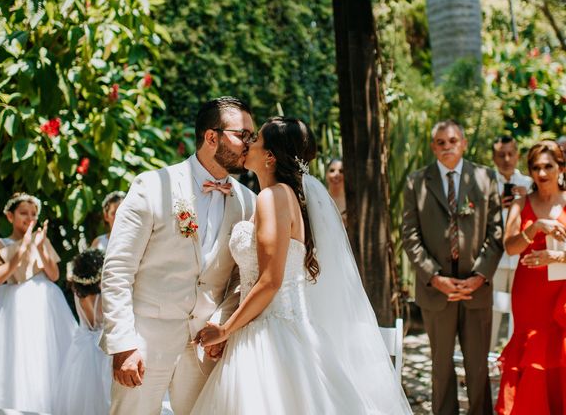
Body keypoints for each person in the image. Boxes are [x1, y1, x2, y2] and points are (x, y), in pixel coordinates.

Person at [191, 117, 412, 414]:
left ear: (269, 156)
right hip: (274, 328)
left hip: (267, 337)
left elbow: (270, 281)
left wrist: (225, 330)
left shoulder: (273, 198)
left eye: (255, 139)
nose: (248, 143)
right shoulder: (285, 197)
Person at [100, 97, 257, 415]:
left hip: (205, 347)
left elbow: (242, 276)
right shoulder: (152, 186)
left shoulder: (248, 201)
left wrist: (222, 323)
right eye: (243, 135)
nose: (250, 145)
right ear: (212, 137)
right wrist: (123, 344)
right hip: (144, 341)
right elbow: (117, 269)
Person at [402, 120, 503, 415]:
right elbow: (410, 236)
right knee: (441, 368)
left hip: (476, 290)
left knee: (477, 367)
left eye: (453, 140)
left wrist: (479, 275)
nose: (447, 147)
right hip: (436, 292)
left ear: (464, 143)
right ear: (433, 146)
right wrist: (434, 278)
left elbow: (495, 232)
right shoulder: (416, 182)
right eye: (441, 142)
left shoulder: (485, 178)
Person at [0, 193, 76, 412]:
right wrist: (24, 246)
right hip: (15, 306)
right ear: (10, 216)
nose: (29, 218)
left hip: (47, 304)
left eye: (33, 214)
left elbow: (54, 275)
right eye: (23, 213)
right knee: (19, 355)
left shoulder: (40, 240)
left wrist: (41, 245)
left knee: (47, 354)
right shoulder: (2, 243)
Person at [495, 140, 566, 415]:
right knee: (530, 351)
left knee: (559, 351)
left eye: (548, 166)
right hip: (528, 293)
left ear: (561, 167)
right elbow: (510, 246)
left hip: (560, 293)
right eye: (536, 167)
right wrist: (536, 227)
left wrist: (557, 257)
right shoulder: (521, 202)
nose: (542, 173)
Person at [54, 248, 111, 415]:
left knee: (80, 392)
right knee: (103, 392)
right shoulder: (103, 297)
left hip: (82, 346)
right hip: (102, 346)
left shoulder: (77, 294)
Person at [490, 136, 533, 350]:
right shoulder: (485, 185)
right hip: (494, 260)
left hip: (521, 261)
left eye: (510, 154)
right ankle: (485, 367)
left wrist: (526, 200)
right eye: (501, 155)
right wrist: (495, 203)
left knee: (519, 316)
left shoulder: (530, 184)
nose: (506, 159)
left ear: (517, 155)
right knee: (491, 315)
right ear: (493, 157)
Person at [325, 158, 347, 226]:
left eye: (341, 171)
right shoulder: (320, 198)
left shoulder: (352, 200)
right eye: (332, 171)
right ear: (326, 175)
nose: (336, 175)